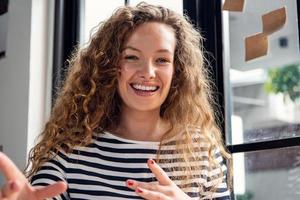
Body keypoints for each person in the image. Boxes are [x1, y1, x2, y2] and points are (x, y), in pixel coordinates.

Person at [0, 2, 232, 200]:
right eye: (132, 57)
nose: (148, 72)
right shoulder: (70, 151)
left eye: (161, 60)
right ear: (110, 66)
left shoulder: (203, 152)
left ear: (177, 71)